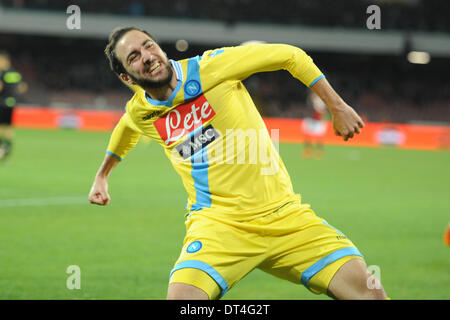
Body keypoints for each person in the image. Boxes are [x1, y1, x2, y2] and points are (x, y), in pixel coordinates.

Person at [88, 26, 388, 300]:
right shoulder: (142, 111)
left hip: (284, 217)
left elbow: (290, 55)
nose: (148, 57)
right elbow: (126, 127)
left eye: (149, 45)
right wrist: (103, 174)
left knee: (371, 293)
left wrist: (337, 106)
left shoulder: (212, 66)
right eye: (134, 57)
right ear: (128, 77)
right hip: (217, 226)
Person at [0, 51, 25, 161]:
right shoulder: (15, 73)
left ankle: (2, 148)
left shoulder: (3, 74)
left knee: (2, 127)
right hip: (12, 102)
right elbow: (22, 87)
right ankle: (7, 147)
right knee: (7, 127)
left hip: (2, 102)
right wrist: (13, 94)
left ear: (5, 61)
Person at [301, 91, 328, 160]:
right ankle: (307, 151)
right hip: (311, 120)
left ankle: (319, 151)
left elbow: (323, 112)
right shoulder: (311, 101)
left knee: (319, 137)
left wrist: (323, 120)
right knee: (308, 136)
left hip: (318, 121)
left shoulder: (320, 102)